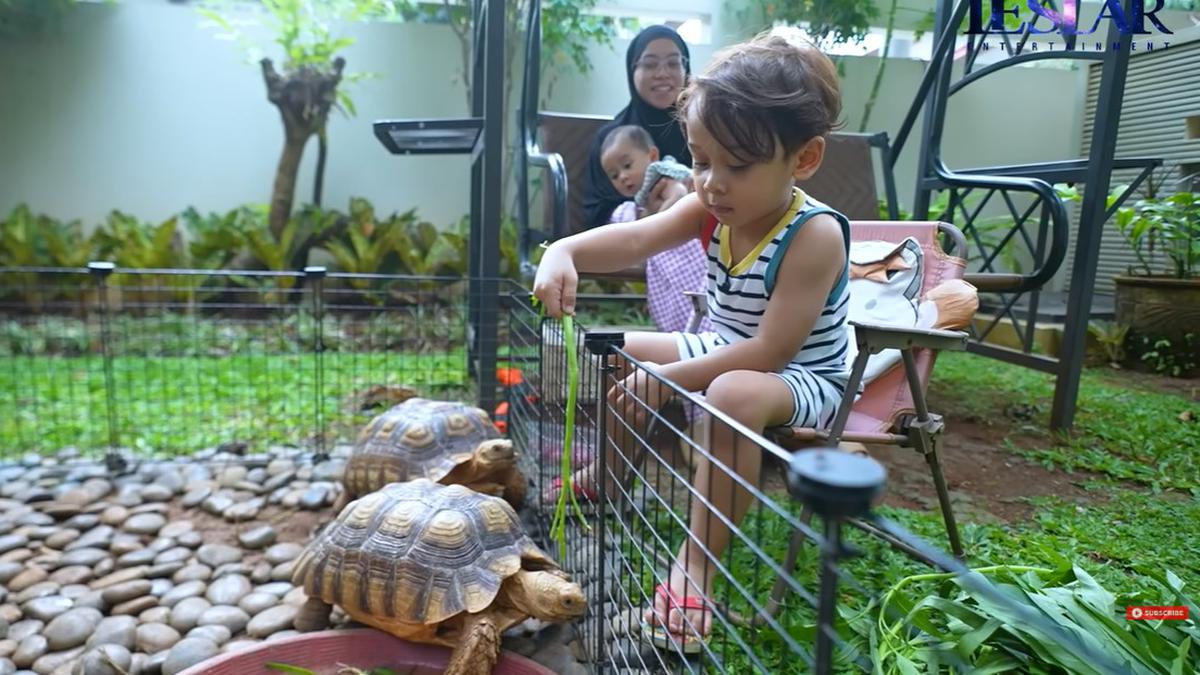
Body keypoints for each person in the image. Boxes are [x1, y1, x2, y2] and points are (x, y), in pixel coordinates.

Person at [533, 33, 850, 649]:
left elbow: (768, 355)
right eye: (702, 161)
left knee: (731, 392)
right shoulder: (711, 207)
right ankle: (610, 475)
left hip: (804, 378)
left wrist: (672, 377)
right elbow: (633, 240)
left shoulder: (814, 235)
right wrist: (563, 250)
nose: (713, 183)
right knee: (613, 348)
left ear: (804, 159)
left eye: (738, 165)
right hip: (723, 342)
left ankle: (698, 565)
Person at [599, 124, 713, 334]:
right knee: (674, 303)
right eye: (614, 175)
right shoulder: (628, 209)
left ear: (652, 156)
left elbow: (678, 197)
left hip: (690, 257)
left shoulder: (666, 178)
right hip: (664, 271)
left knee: (699, 298)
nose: (622, 176)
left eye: (627, 165)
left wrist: (650, 222)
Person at [582, 25, 693, 231]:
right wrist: (645, 213)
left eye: (673, 63)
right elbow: (595, 216)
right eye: (650, 64)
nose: (662, 73)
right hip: (633, 249)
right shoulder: (611, 141)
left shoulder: (703, 128)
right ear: (632, 71)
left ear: (686, 69)